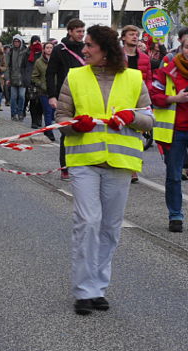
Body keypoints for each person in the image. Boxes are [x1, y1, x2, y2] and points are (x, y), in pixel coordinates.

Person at [55, 24, 153, 315]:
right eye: (84, 44)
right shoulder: (74, 76)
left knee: (110, 227)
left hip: (120, 165)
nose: (84, 50)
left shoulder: (134, 78)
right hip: (84, 161)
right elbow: (61, 116)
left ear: (106, 49)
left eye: (89, 46)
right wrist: (74, 124)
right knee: (88, 221)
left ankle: (98, 288)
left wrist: (130, 117)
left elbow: (148, 120)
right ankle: (83, 292)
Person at [151, 33, 188, 233]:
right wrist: (175, 99)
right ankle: (175, 216)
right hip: (175, 132)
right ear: (181, 48)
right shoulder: (168, 70)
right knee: (174, 176)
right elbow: (154, 95)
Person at [47, 18, 86, 180]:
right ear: (70, 31)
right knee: (66, 131)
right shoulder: (59, 49)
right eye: (78, 31)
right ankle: (65, 167)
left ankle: (84, 164)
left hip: (85, 95)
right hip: (65, 95)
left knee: (86, 128)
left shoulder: (86, 48)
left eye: (83, 31)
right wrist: (52, 96)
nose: (81, 35)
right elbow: (50, 73)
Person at [121, 24, 154, 184]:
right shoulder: (117, 56)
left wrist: (147, 97)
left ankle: (133, 167)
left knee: (137, 134)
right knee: (123, 133)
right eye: (131, 34)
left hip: (139, 100)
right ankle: (128, 166)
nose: (134, 37)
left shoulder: (145, 58)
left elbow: (148, 78)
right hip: (121, 98)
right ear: (123, 37)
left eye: (136, 34)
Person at [31, 41, 56, 139]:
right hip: (44, 91)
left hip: (55, 90)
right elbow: (34, 76)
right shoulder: (39, 62)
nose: (49, 49)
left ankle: (48, 129)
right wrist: (41, 84)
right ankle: (49, 132)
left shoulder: (57, 60)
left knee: (53, 112)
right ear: (44, 50)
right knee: (48, 112)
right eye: (47, 48)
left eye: (51, 47)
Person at [4, 35, 28, 121]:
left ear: (21, 42)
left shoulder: (26, 51)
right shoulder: (10, 52)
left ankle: (20, 113)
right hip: (12, 77)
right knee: (13, 97)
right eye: (15, 41)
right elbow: (6, 66)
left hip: (22, 78)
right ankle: (13, 114)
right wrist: (7, 78)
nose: (16, 43)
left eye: (18, 41)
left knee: (22, 96)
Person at [25, 35, 43, 128]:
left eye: (38, 41)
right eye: (34, 41)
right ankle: (34, 121)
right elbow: (23, 66)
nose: (36, 43)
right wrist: (25, 79)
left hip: (41, 81)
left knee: (40, 102)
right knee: (32, 101)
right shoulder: (27, 52)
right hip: (31, 80)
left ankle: (39, 117)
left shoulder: (43, 53)